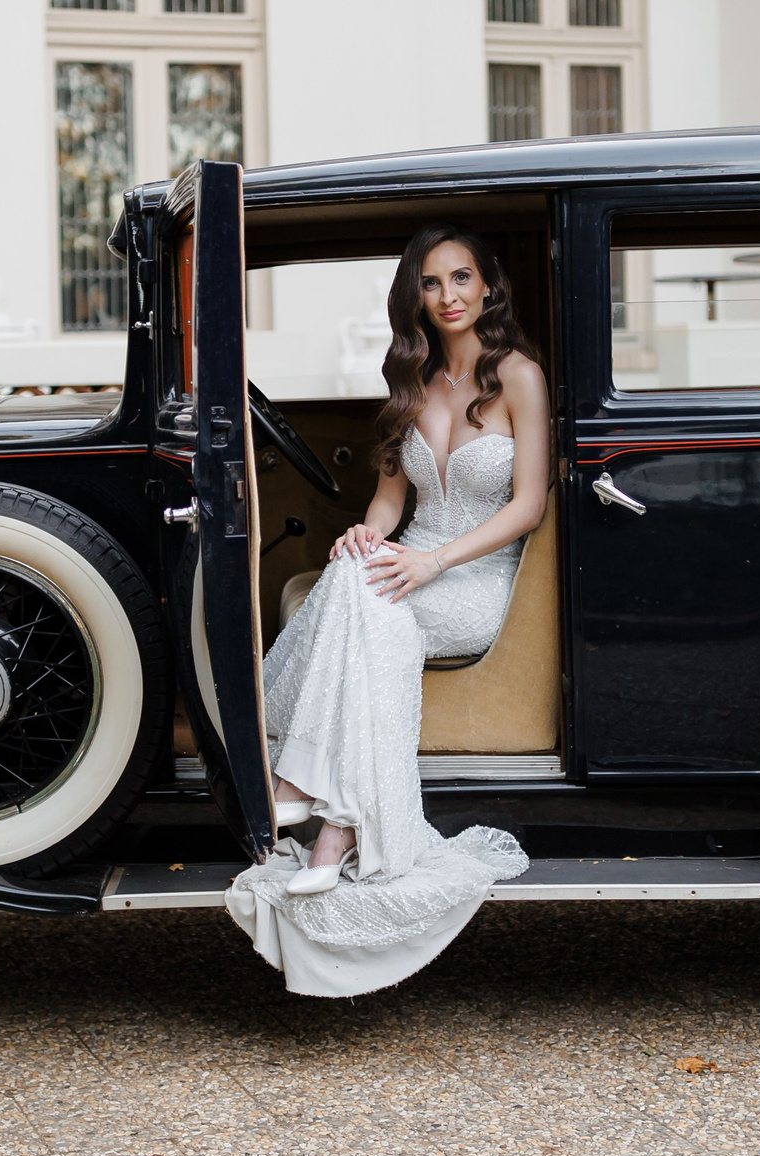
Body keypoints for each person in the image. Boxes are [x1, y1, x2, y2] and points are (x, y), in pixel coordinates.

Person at [223, 224, 547, 996]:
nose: (449, 296)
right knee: (351, 573)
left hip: (474, 574)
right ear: (417, 297)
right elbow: (393, 495)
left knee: (365, 599)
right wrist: (370, 532)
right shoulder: (411, 377)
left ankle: (309, 793)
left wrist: (434, 559)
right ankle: (333, 824)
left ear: (489, 286)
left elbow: (529, 504)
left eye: (462, 278)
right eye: (433, 284)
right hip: (412, 558)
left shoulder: (520, 377)